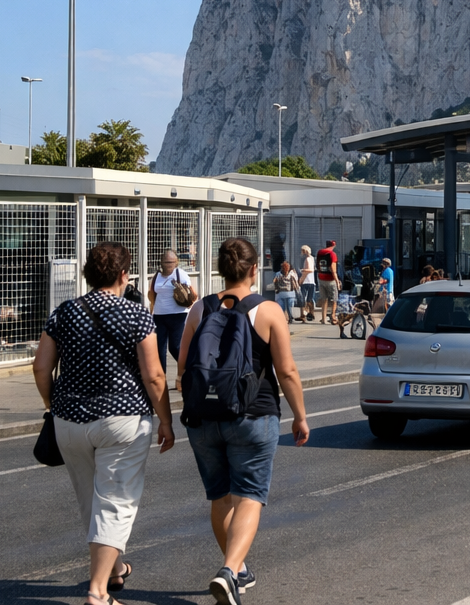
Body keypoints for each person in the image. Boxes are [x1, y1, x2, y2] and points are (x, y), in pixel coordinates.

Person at [33, 241, 174, 605]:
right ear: (124, 275)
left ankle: (113, 570)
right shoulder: (136, 314)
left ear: (88, 274)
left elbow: (40, 367)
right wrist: (166, 421)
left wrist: (54, 405)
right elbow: (154, 375)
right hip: (123, 420)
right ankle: (97, 593)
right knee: (115, 501)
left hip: (69, 421)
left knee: (89, 499)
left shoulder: (64, 312)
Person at [180, 237, 309, 605]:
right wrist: (300, 416)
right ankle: (230, 570)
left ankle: (236, 569)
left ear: (222, 269)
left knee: (220, 496)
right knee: (250, 495)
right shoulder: (268, 311)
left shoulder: (198, 311)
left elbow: (184, 368)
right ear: (255, 270)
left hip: (203, 418)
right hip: (254, 415)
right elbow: (286, 371)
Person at [147, 249, 194, 390]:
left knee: (174, 346)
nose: (169, 265)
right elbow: (152, 296)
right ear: (161, 262)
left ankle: (189, 370)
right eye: (167, 262)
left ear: (176, 263)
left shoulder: (182, 275)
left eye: (172, 262)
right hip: (159, 316)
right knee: (159, 348)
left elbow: (194, 295)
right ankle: (162, 381)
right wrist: (151, 312)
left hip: (178, 315)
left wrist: (186, 301)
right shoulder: (156, 277)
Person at [315, 240, 339, 324]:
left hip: (321, 277)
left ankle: (323, 318)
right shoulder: (332, 254)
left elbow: (317, 265)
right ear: (333, 246)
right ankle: (333, 316)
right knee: (334, 299)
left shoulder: (319, 253)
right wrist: (337, 281)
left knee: (324, 298)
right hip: (330, 279)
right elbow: (333, 269)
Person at [297, 245, 316, 322]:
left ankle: (303, 314)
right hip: (311, 281)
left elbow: (310, 270)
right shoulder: (312, 258)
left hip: (306, 281)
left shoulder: (307, 259)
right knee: (310, 299)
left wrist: (302, 273)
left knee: (303, 299)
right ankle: (311, 313)